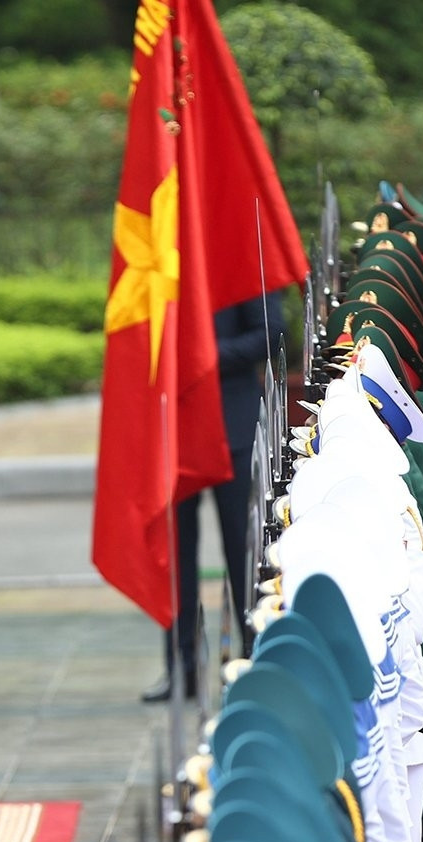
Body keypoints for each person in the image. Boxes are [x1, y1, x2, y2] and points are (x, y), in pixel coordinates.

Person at [144, 291, 286, 703]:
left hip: (232, 427)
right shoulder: (165, 251)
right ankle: (181, 667)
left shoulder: (233, 246)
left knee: (245, 553)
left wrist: (206, 354)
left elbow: (271, 331)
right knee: (176, 557)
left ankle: (254, 659)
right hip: (176, 425)